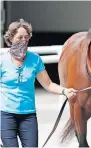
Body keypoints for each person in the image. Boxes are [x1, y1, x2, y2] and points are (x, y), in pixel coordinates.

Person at [0, 19, 77, 147]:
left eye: (26, 38)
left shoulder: (35, 59)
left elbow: (48, 84)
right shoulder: (2, 61)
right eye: (19, 37)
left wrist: (64, 91)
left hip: (28, 116)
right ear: (11, 38)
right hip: (6, 116)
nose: (23, 41)